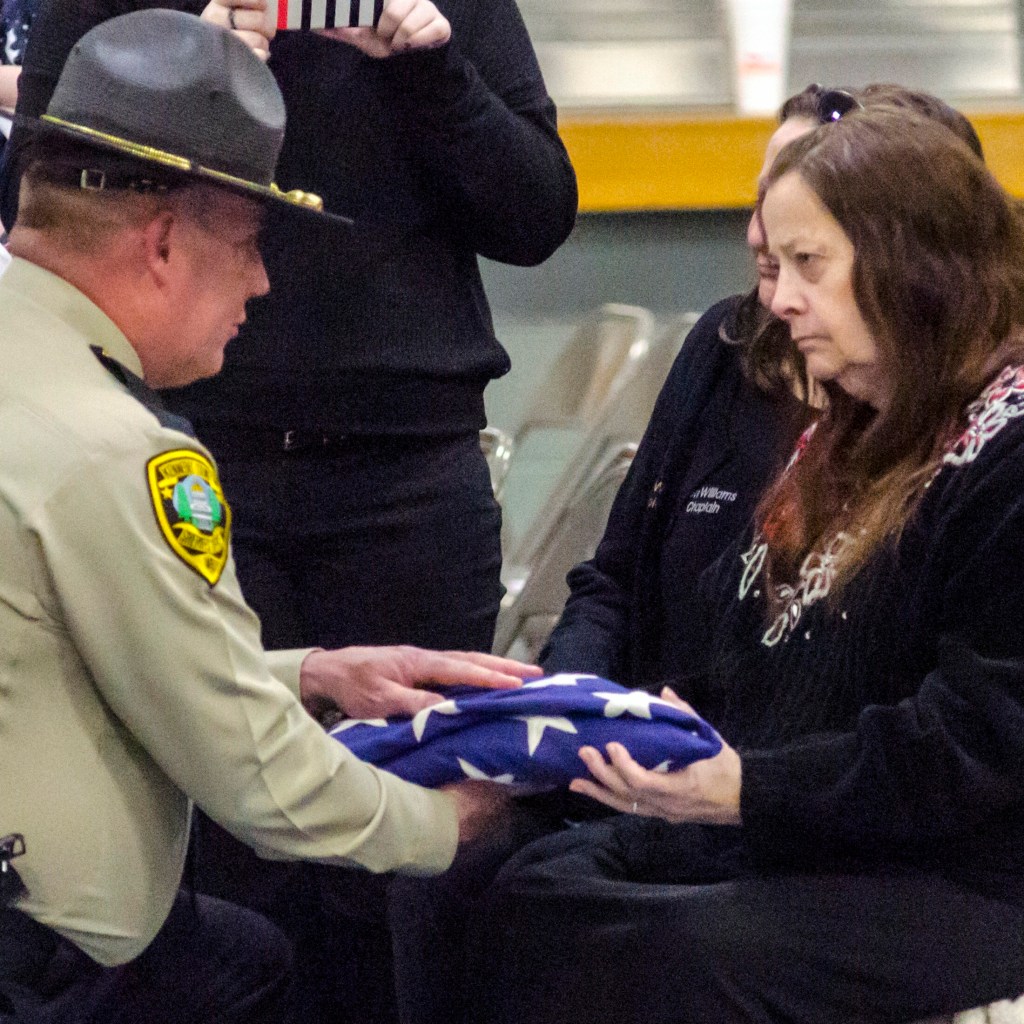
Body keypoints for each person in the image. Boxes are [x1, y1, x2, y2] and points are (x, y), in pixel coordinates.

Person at [0, 12, 535, 1022]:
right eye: (249, 243)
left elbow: (114, 649)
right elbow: (258, 781)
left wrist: (318, 673)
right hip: (47, 953)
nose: (262, 281)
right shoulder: (120, 451)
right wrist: (454, 818)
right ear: (162, 244)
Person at [467, 107, 1024, 1024]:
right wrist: (673, 728)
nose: (779, 299)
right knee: (535, 886)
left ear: (915, 266)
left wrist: (747, 787)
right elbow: (751, 648)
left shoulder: (1006, 450)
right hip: (830, 832)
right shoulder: (859, 423)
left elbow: (974, 745)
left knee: (673, 952)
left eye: (811, 266)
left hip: (970, 873)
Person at [540, 81, 984, 689]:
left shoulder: (974, 436)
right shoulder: (725, 344)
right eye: (762, 203)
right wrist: (571, 704)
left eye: (804, 239)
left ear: (900, 252)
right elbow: (614, 582)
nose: (759, 236)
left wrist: (726, 781)